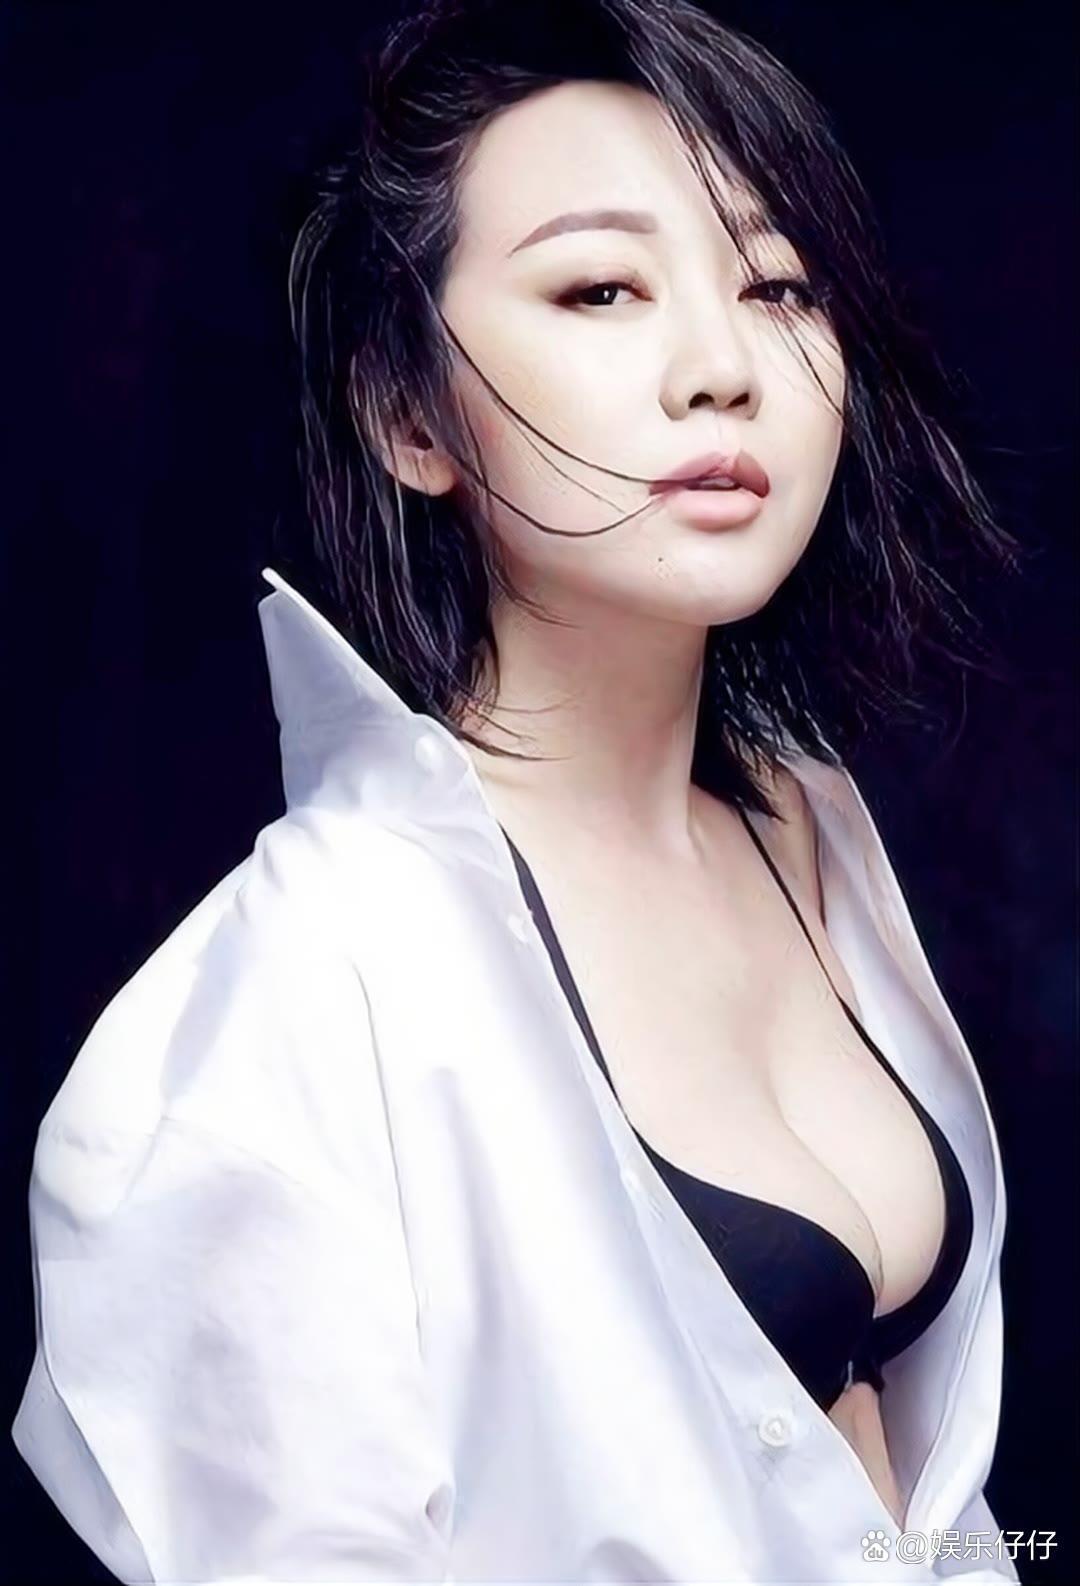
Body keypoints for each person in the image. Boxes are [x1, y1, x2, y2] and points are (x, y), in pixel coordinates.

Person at [13, 0, 1026, 1580]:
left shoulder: (803, 828)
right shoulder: (293, 993)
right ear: (408, 413)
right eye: (601, 287)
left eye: (775, 285)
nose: (723, 368)